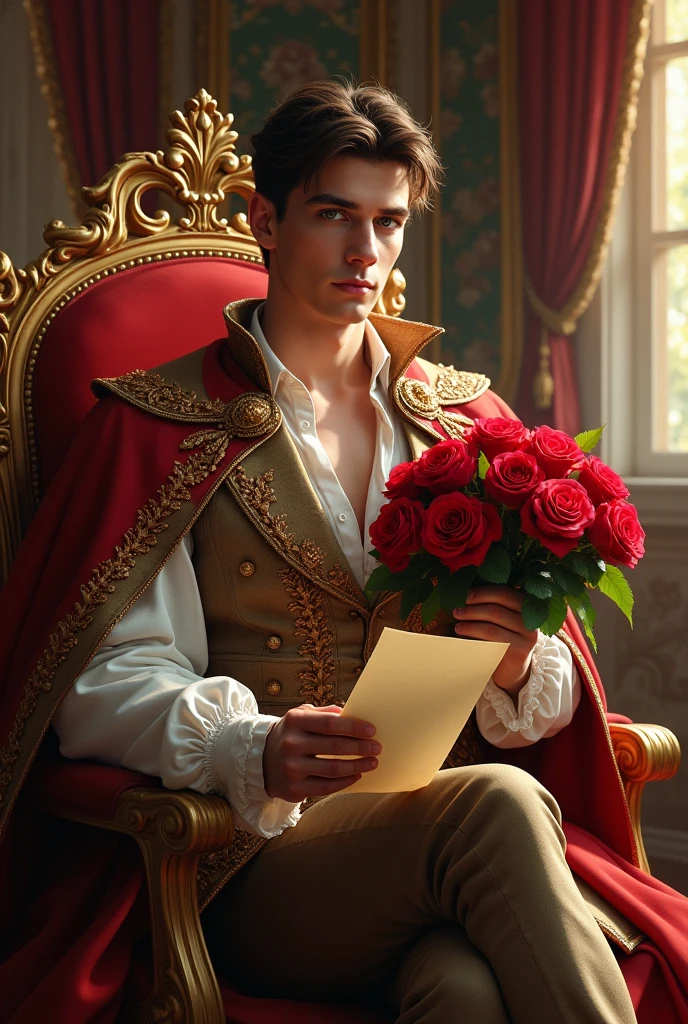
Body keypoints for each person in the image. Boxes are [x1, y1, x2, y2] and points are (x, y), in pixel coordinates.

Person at [0, 81, 686, 1023]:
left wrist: (524, 663)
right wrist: (256, 746)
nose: (367, 253)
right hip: (251, 860)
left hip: (438, 854)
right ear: (266, 221)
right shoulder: (158, 427)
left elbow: (547, 694)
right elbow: (102, 684)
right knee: (493, 806)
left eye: (389, 222)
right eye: (335, 216)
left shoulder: (464, 425)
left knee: (465, 994)